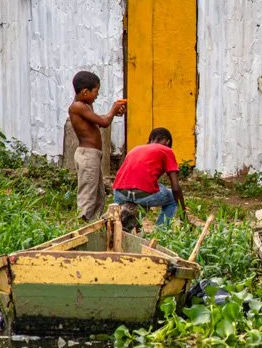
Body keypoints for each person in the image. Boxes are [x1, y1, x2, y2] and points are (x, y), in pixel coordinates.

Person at [68, 71, 126, 221]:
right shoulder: (77, 106)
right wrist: (113, 110)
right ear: (85, 92)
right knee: (88, 192)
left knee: (98, 194)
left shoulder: (85, 106)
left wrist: (114, 114)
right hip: (87, 155)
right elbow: (104, 122)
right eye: (96, 92)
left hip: (93, 155)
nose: (97, 95)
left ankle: (95, 222)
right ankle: (83, 221)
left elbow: (101, 119)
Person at [113, 127, 188, 229]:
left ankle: (132, 224)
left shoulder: (135, 149)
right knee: (172, 198)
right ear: (167, 142)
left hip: (120, 194)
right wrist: (184, 218)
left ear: (150, 140)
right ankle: (160, 232)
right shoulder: (166, 150)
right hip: (143, 195)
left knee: (149, 189)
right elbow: (176, 188)